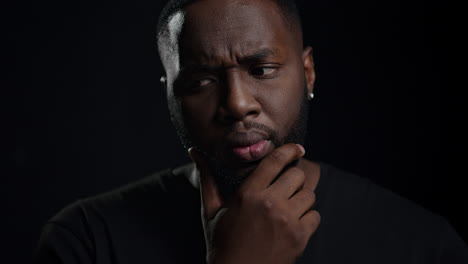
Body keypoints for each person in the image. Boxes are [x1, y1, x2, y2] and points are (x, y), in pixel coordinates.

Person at [34, 0, 468, 263]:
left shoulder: (421, 245)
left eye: (262, 69)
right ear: (171, 96)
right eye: (201, 81)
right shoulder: (86, 242)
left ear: (308, 73)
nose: (238, 103)